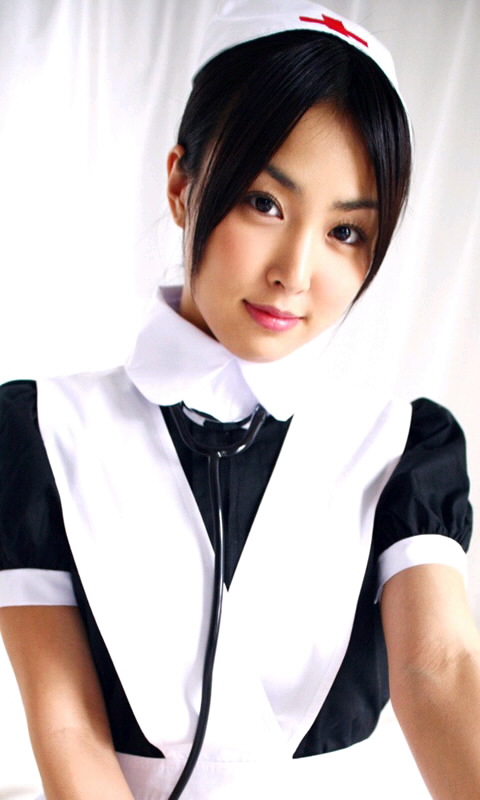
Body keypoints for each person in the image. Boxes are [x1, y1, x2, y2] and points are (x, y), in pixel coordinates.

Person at [0, 2, 478, 799]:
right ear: (182, 184)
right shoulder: (43, 434)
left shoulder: (404, 449)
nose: (295, 272)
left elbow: (440, 666)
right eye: (265, 202)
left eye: (346, 232)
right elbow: (67, 725)